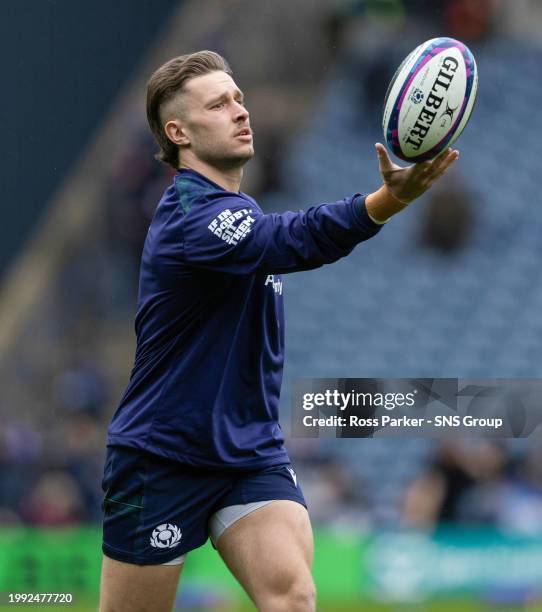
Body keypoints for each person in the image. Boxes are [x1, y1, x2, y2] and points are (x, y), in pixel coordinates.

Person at [99, 50, 459, 612]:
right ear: (179, 132)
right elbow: (292, 240)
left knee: (292, 597)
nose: (240, 111)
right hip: (163, 454)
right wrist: (387, 200)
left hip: (248, 450)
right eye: (218, 104)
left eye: (239, 98)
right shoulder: (192, 218)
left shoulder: (237, 207)